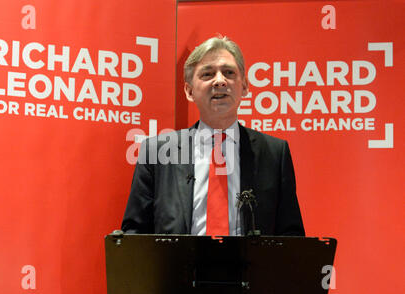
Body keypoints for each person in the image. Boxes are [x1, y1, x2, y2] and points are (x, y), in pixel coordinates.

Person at [121, 36, 305, 236]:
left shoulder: (274, 153)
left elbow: (291, 236)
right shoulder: (157, 152)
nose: (219, 81)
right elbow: (135, 234)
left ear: (244, 87)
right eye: (208, 74)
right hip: (177, 267)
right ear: (189, 91)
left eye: (229, 72)